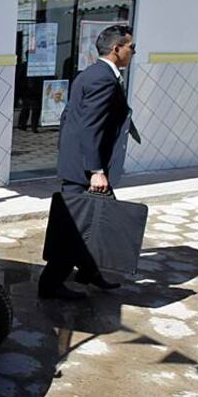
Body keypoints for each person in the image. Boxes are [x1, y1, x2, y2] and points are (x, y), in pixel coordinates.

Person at [38, 24, 140, 300]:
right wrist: (96, 170)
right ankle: (50, 284)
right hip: (85, 170)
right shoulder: (102, 79)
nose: (133, 52)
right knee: (75, 227)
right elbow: (90, 126)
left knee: (94, 221)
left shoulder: (91, 74)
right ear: (117, 49)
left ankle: (89, 272)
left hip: (79, 164)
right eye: (131, 47)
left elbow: (72, 119)